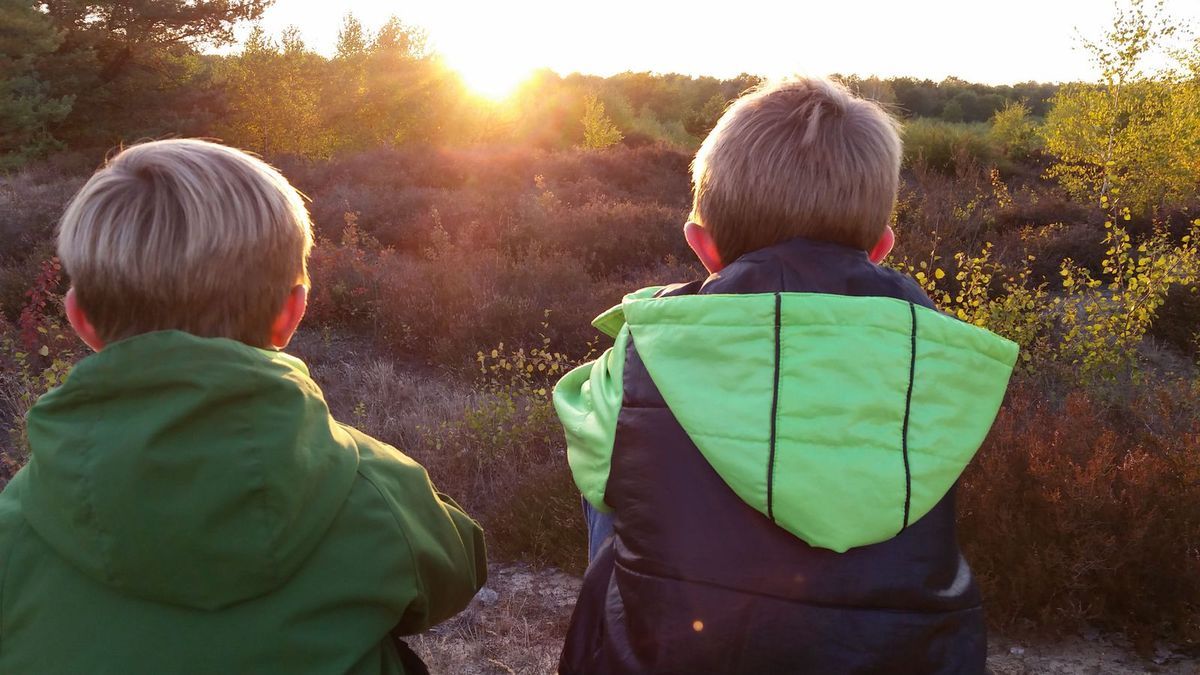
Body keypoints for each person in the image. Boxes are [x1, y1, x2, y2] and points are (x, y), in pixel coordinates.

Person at [553, 77, 1019, 674]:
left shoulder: (641, 356)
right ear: (881, 248)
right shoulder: (945, 362)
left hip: (678, 654)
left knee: (618, 477)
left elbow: (588, 444)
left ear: (702, 246)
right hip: (906, 658)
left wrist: (654, 324)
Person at [0, 139, 486, 674]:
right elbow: (457, 573)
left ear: (80, 319)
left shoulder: (15, 522)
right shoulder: (376, 491)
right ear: (291, 313)